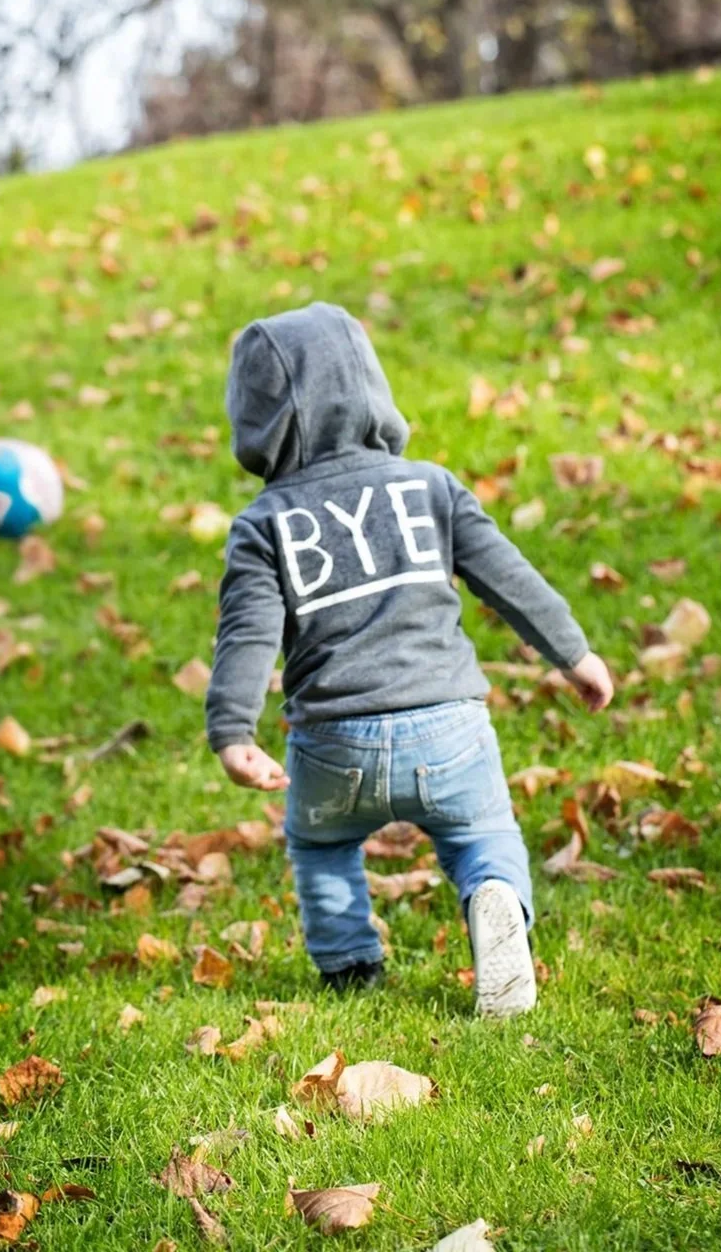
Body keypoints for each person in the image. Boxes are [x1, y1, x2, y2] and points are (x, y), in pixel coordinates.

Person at [204, 302, 613, 1016]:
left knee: (321, 847)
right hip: (449, 728)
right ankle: (495, 899)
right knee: (482, 833)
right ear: (370, 386)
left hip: (334, 744)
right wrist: (573, 653)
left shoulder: (263, 524)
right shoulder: (430, 486)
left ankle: (349, 966)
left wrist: (234, 733)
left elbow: (247, 634)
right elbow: (509, 578)